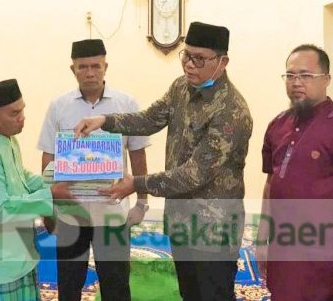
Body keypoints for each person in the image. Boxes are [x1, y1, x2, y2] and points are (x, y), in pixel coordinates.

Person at [74, 22, 252, 301]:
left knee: (213, 294)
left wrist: (137, 184)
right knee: (189, 294)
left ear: (222, 61)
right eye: (186, 55)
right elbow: (149, 119)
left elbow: (194, 174)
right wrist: (105, 121)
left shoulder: (231, 111)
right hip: (182, 220)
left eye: (199, 58)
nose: (189, 65)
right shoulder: (181, 87)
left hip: (213, 230)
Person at [258, 44, 333, 301]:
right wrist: (262, 241)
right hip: (283, 258)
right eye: (290, 75)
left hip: (324, 264)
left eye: (305, 75)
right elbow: (271, 184)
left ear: (326, 79)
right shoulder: (277, 125)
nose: (296, 82)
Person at [37, 39, 149, 301]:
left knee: (116, 285)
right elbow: (48, 155)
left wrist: (142, 202)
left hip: (112, 213)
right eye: (83, 67)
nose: (90, 73)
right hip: (70, 214)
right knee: (69, 284)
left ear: (105, 66)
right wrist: (48, 203)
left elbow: (137, 153)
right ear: (73, 69)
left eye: (95, 66)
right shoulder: (59, 106)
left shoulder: (126, 104)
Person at [0, 79, 73, 301]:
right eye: (14, 113)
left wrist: (52, 181)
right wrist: (50, 194)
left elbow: (21, 178)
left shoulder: (7, 140)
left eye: (22, 110)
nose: (22, 117)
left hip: (18, 255)